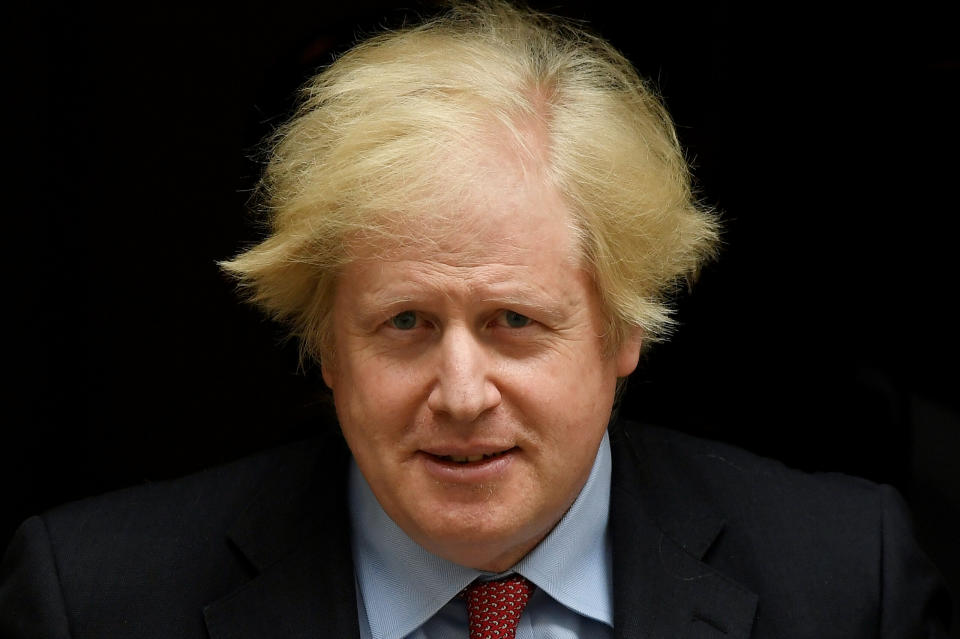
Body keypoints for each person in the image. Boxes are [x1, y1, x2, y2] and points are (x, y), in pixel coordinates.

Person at [1, 2, 951, 637]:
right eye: (406, 321)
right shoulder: (96, 599)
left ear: (624, 331)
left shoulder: (842, 580)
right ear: (328, 342)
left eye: (513, 321)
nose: (461, 394)